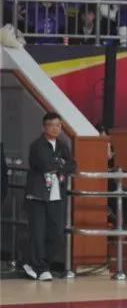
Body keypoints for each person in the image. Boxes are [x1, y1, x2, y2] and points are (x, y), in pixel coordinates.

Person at [23, 112, 76, 280]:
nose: (56, 128)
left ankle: (37, 263)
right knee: (38, 232)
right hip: (38, 194)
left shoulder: (63, 145)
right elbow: (46, 165)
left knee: (57, 232)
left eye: (58, 125)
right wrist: (61, 164)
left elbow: (72, 164)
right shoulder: (37, 145)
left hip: (56, 194)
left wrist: (60, 166)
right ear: (44, 127)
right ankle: (40, 267)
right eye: (52, 125)